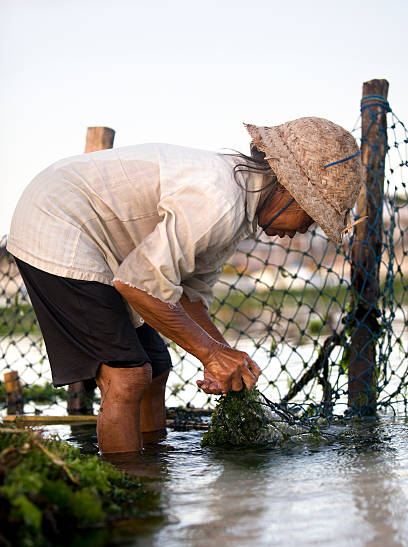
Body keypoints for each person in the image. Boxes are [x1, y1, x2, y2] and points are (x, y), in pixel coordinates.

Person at [7, 117, 362, 454]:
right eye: (311, 215)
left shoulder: (240, 205)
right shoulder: (219, 199)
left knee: (157, 367)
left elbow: (189, 298)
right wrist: (209, 353)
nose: (305, 229)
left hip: (104, 248)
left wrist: (224, 359)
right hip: (56, 221)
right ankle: (129, 487)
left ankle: (154, 470)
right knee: (128, 376)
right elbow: (136, 284)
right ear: (287, 188)